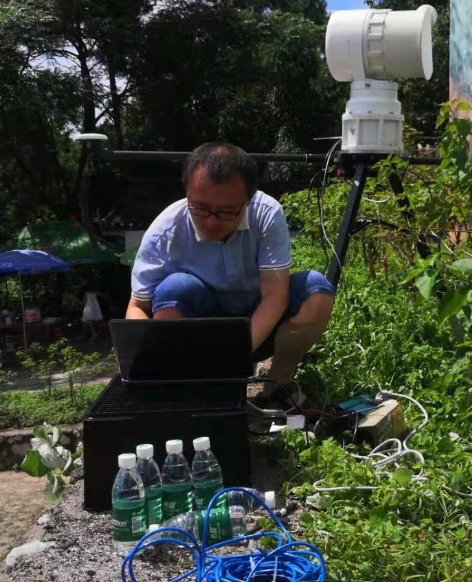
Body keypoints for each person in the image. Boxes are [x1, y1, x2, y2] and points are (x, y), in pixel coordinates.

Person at [126, 143, 335, 409]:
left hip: (260, 323)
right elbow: (137, 306)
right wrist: (148, 362)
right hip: (200, 332)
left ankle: (278, 385)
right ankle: (190, 386)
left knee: (316, 290)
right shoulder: (165, 232)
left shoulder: (266, 213)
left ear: (249, 199)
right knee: (173, 291)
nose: (212, 221)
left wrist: (234, 356)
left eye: (226, 211)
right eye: (200, 208)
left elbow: (275, 296)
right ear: (187, 191)